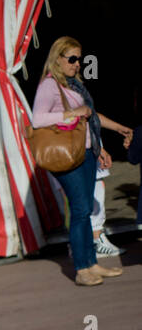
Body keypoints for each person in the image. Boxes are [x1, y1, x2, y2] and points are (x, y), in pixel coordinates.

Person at [30, 37, 132, 285]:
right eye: (72, 59)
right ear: (58, 59)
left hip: (85, 152)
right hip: (67, 156)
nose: (77, 64)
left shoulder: (72, 85)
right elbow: (38, 119)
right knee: (79, 210)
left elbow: (91, 117)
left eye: (80, 59)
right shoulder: (49, 85)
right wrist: (72, 112)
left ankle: (91, 263)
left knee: (85, 210)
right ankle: (81, 269)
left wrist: (114, 132)